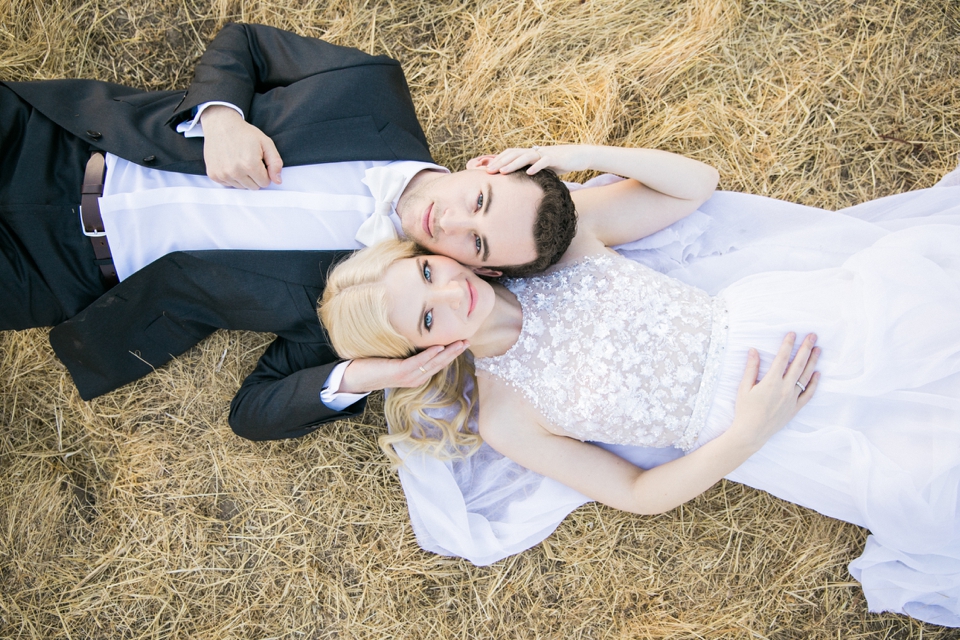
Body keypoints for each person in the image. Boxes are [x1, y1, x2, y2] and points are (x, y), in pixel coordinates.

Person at [318, 144, 960, 627]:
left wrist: (571, 158)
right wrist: (749, 432)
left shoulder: (551, 253)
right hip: (763, 433)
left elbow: (692, 186)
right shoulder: (506, 416)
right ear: (424, 352)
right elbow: (637, 492)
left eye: (429, 271)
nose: (451, 292)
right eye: (427, 317)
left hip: (788, 323)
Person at [1, 22, 592, 440]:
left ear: (481, 269)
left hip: (56, 272)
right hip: (54, 144)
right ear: (483, 167)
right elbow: (247, 43)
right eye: (480, 200)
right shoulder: (373, 88)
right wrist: (223, 116)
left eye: (477, 242)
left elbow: (253, 413)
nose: (453, 219)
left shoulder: (374, 300)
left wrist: (372, 374)